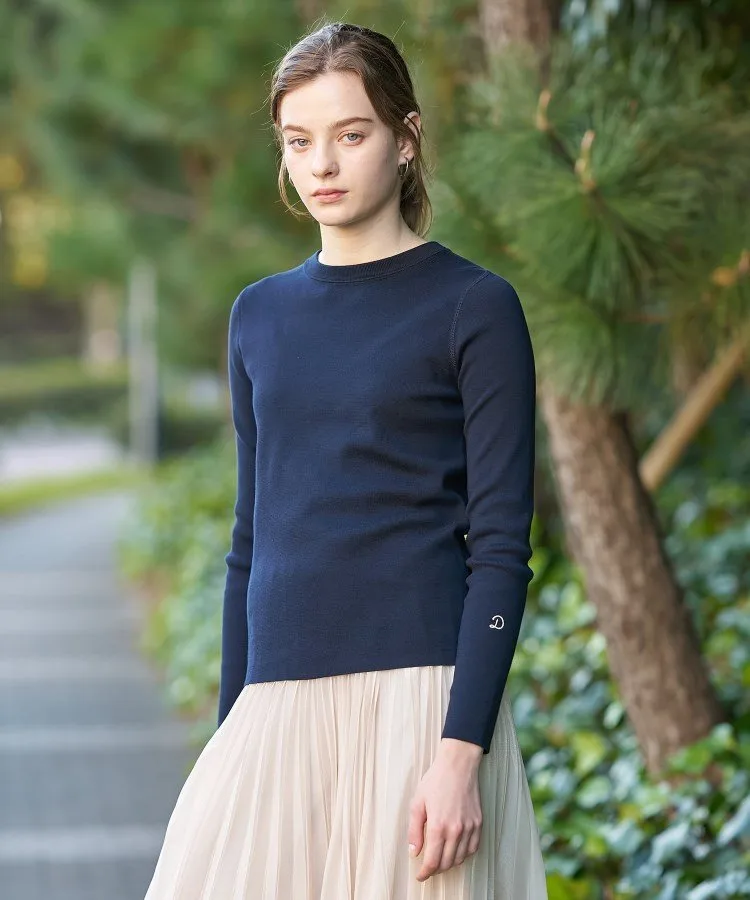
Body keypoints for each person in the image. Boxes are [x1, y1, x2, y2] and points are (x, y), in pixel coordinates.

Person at [144, 20, 547, 900]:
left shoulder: (474, 307)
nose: (321, 164)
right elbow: (251, 544)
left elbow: (501, 549)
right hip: (275, 709)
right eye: (299, 142)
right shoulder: (258, 316)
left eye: (350, 134)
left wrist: (459, 756)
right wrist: (230, 732)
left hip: (420, 708)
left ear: (405, 139)